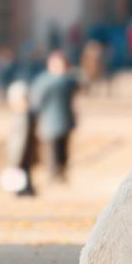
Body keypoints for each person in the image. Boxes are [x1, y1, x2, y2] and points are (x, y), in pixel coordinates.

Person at [27, 51, 79, 185]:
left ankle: (58, 175)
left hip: (57, 122)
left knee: (60, 151)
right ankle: (55, 176)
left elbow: (36, 101)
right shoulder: (62, 81)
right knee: (54, 151)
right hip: (53, 122)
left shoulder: (46, 81)